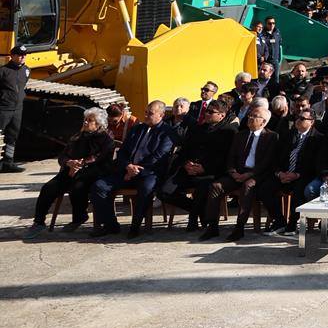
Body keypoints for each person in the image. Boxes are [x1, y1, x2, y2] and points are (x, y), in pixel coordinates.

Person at [26, 108, 114, 236]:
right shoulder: (78, 136)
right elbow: (63, 155)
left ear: (98, 124)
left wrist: (80, 164)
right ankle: (39, 222)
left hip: (93, 172)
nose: (85, 122)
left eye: (90, 120)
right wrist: (69, 162)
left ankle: (79, 217)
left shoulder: (106, 137)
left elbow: (99, 156)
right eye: (85, 119)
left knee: (77, 187)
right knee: (48, 188)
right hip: (71, 170)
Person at [90, 100, 172, 238]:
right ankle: (111, 225)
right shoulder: (137, 129)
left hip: (149, 173)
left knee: (146, 188)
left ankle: (135, 226)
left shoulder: (167, 132)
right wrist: (128, 166)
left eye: (150, 113)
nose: (146, 116)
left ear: (161, 115)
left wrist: (136, 171)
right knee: (99, 186)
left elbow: (158, 157)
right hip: (126, 170)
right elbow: (123, 152)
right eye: (146, 112)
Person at [206, 105, 280, 242]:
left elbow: (267, 161)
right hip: (237, 173)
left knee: (248, 186)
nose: (250, 118)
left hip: (257, 175)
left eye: (254, 116)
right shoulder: (240, 135)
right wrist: (232, 171)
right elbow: (231, 157)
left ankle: (239, 227)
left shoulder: (271, 136)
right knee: (216, 186)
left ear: (263, 122)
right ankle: (212, 226)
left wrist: (250, 174)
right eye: (250, 115)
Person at [159, 98, 232, 229]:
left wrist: (204, 168)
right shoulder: (198, 129)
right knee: (164, 192)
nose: (207, 114)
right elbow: (184, 150)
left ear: (221, 115)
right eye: (206, 111)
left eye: (211, 112)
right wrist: (186, 163)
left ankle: (193, 219)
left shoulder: (228, 132)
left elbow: (225, 157)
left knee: (203, 188)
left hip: (211, 172)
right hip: (189, 169)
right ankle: (200, 211)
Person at [273, 109, 324, 233]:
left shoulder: (318, 138)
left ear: (311, 122)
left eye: (302, 118)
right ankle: (279, 221)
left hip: (303, 175)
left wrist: (296, 175)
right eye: (297, 117)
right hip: (284, 174)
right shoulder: (288, 135)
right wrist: (279, 173)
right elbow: (276, 156)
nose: (298, 120)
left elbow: (315, 164)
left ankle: (292, 224)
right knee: (266, 187)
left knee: (299, 190)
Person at [0, 47, 26, 173]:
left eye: (24, 55)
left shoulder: (26, 70)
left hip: (17, 109)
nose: (23, 57)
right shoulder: (3, 71)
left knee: (12, 136)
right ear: (12, 56)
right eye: (20, 55)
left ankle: (8, 163)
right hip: (4, 108)